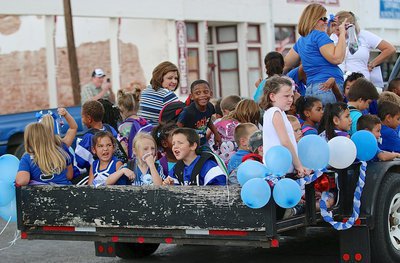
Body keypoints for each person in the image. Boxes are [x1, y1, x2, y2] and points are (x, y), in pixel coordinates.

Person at [284, 3, 348, 105]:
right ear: (313, 19)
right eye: (323, 18)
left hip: (311, 90)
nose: (326, 22)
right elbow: (337, 58)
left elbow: (286, 63)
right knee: (330, 121)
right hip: (326, 88)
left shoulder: (302, 40)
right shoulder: (320, 36)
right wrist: (342, 33)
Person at [330, 11, 396, 88]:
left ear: (349, 27)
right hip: (340, 82)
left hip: (361, 83)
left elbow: (390, 49)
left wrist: (372, 64)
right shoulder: (332, 36)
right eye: (335, 29)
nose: (337, 33)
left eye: (339, 30)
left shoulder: (364, 35)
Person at [259, 76, 307, 176]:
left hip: (281, 167)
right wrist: (298, 165)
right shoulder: (275, 112)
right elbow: (285, 141)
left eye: (291, 96)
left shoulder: (279, 113)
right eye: (286, 96)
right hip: (280, 168)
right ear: (272, 96)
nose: (290, 99)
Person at [75, 100, 118, 177]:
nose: (82, 120)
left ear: (89, 119)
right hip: (115, 169)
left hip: (97, 174)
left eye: (82, 117)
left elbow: (80, 162)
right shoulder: (110, 129)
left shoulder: (88, 137)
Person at [210, 99, 260, 165]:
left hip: (216, 162)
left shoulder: (220, 121)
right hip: (236, 163)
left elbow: (208, 135)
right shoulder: (244, 128)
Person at [177, 79, 221, 146]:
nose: (202, 95)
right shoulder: (188, 112)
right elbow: (178, 128)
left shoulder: (210, 106)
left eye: (206, 92)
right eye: (198, 93)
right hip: (189, 145)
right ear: (191, 96)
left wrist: (216, 133)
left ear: (211, 93)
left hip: (203, 142)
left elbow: (208, 120)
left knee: (209, 156)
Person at [117, 89, 153, 159]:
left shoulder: (123, 127)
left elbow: (124, 147)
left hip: (134, 161)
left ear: (121, 110)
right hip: (149, 157)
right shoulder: (144, 122)